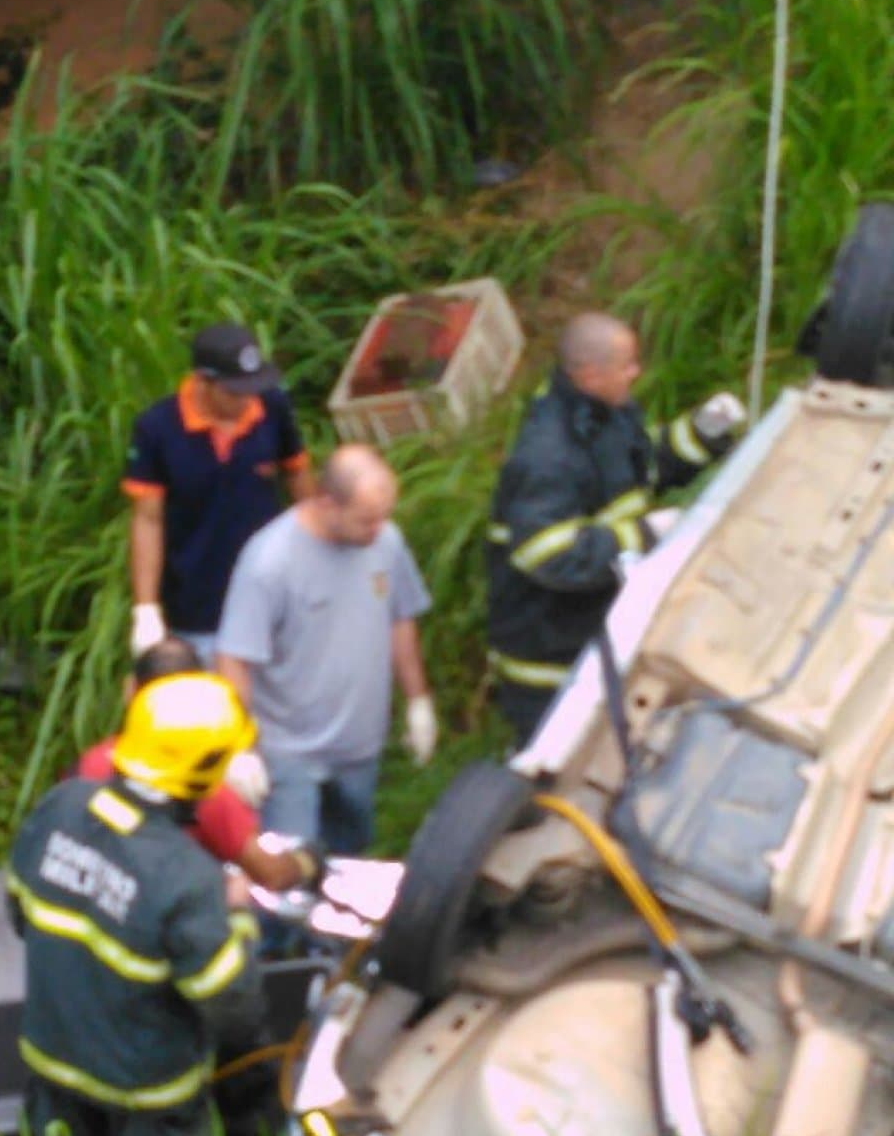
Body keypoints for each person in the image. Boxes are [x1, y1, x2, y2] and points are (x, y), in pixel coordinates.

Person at [8, 672, 264, 1136]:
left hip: (56, 1054)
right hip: (149, 1089)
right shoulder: (187, 878)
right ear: (201, 775)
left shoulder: (61, 807)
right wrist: (241, 921)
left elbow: (21, 913)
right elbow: (234, 1007)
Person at [486, 311, 747, 743]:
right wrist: (643, 535)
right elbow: (550, 555)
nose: (636, 372)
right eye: (626, 365)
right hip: (549, 656)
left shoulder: (604, 415)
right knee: (560, 762)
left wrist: (702, 434)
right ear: (590, 374)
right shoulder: (548, 455)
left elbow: (640, 464)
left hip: (596, 622)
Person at [216, 445, 437, 857]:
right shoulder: (270, 562)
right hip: (288, 750)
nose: (378, 530)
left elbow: (401, 617)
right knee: (290, 868)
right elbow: (234, 657)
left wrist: (418, 700)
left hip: (359, 743)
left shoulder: (385, 542)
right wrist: (238, 748)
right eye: (366, 520)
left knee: (350, 854)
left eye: (383, 517)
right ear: (326, 502)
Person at [122, 322, 314, 667]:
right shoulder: (157, 428)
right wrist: (146, 608)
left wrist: (318, 549)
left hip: (271, 599)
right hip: (197, 606)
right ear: (202, 381)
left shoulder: (272, 408)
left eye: (252, 389)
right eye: (234, 392)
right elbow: (148, 518)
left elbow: (298, 475)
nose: (246, 401)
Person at [75, 636, 325, 894]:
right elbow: (272, 875)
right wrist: (308, 861)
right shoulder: (207, 791)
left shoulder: (90, 763)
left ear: (130, 692)